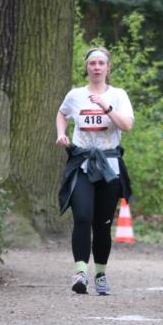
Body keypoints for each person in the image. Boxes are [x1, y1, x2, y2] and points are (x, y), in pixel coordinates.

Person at [56, 46, 134, 295]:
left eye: (101, 63)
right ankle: (80, 273)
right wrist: (61, 134)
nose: (97, 67)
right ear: (87, 68)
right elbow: (62, 113)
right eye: (93, 64)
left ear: (108, 68)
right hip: (82, 163)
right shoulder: (76, 95)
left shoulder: (119, 95)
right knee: (81, 216)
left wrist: (106, 108)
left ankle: (100, 273)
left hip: (109, 166)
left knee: (102, 223)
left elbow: (128, 126)